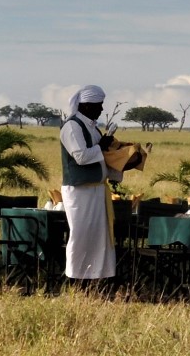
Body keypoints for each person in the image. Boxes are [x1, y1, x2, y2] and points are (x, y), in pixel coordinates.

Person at [58, 85, 122, 282]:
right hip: (80, 192)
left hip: (96, 191)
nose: (101, 109)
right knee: (81, 235)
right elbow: (81, 157)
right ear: (85, 106)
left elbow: (101, 157)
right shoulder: (72, 126)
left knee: (98, 238)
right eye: (98, 105)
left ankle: (96, 278)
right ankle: (75, 278)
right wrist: (101, 146)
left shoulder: (92, 128)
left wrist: (121, 161)